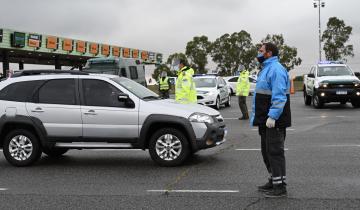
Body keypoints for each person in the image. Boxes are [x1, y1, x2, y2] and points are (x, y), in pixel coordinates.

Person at [250, 43, 291, 198]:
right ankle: (274, 180)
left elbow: (279, 96)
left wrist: (273, 116)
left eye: (261, 51)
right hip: (264, 120)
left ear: (269, 53)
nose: (258, 54)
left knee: (275, 152)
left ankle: (280, 187)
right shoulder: (266, 69)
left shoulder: (276, 69)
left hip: (274, 121)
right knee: (266, 152)